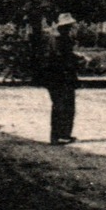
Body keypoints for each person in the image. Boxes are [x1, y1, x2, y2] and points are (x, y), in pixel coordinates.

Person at [44, 13, 81, 144]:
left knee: (68, 106)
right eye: (68, 26)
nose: (70, 28)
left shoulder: (62, 39)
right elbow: (62, 58)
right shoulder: (58, 40)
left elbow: (67, 54)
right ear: (62, 26)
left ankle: (64, 134)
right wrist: (78, 59)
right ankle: (55, 136)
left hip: (63, 77)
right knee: (60, 106)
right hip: (58, 77)